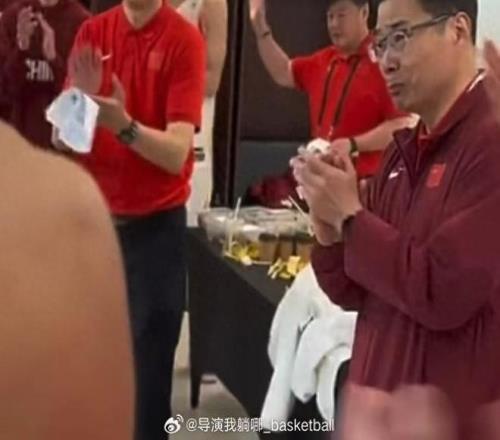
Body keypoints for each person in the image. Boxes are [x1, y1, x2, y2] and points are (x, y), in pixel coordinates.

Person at [292, 0, 500, 426]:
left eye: (401, 37)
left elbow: (443, 290)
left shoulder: (488, 142)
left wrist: (351, 216)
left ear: (458, 30)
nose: (386, 61)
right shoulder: (402, 150)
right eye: (381, 43)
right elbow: (353, 291)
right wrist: (328, 224)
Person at [60, 1, 205, 439]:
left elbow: (176, 153)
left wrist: (123, 125)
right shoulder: (93, 33)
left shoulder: (183, 39)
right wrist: (80, 104)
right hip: (96, 230)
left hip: (155, 233)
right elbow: (63, 139)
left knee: (147, 386)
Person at [0, 121, 133, 440]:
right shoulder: (63, 204)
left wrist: (123, 125)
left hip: (148, 225)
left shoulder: (62, 207)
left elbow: (175, 155)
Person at [250, 0, 411, 179]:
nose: (334, 24)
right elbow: (283, 72)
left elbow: (403, 125)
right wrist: (261, 30)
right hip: (321, 175)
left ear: (364, 13)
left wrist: (353, 144)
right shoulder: (325, 59)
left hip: (366, 182)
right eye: (330, 17)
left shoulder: (384, 63)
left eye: (341, 15)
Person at [0, 0, 89, 146]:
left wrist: (54, 60)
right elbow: (5, 91)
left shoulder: (81, 22)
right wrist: (21, 49)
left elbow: (81, 102)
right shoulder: (11, 17)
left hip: (59, 149)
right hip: (15, 144)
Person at [172, 0, 228, 225]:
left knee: (186, 217)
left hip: (191, 123)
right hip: (149, 126)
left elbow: (211, 80)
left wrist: (157, 81)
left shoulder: (212, 3)